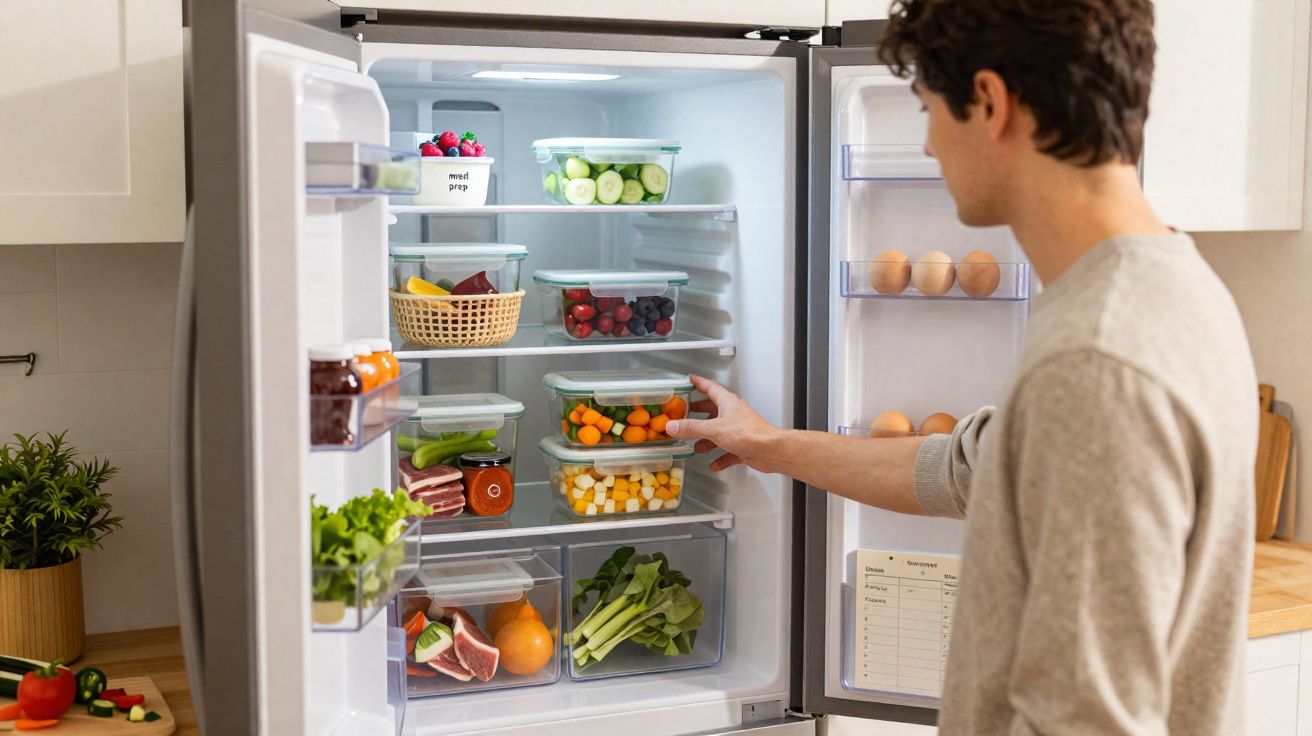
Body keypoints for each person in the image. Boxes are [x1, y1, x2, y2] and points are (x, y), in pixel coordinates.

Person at [666, 1, 1258, 733]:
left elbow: (1087, 720)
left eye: (928, 111)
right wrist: (768, 445)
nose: (928, 148)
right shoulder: (1175, 290)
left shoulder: (1097, 361)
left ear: (990, 102)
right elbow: (966, 469)